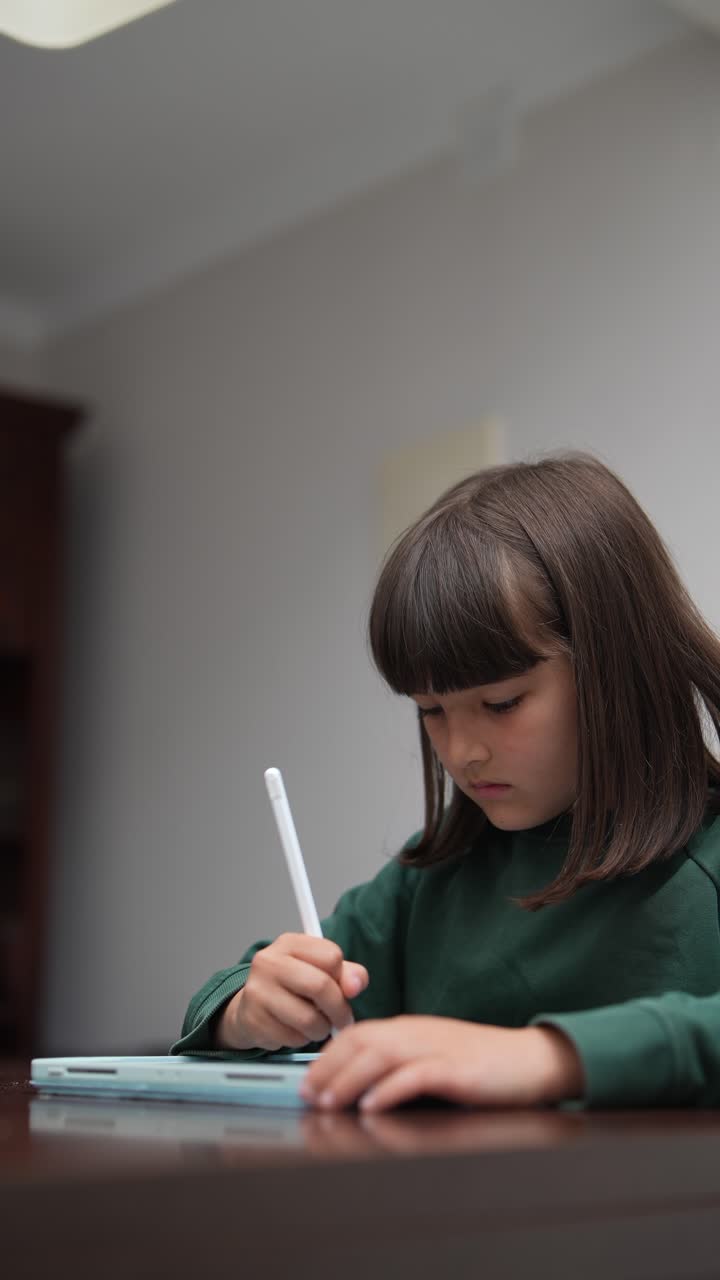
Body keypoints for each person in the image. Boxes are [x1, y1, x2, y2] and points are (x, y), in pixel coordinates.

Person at [173, 452, 720, 1111]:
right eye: (430, 711)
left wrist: (547, 1057)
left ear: (615, 666)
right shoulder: (431, 884)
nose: (462, 752)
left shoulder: (704, 859)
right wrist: (246, 1010)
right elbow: (230, 997)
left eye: (502, 704)